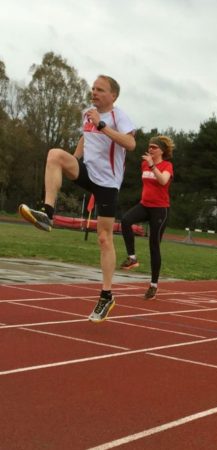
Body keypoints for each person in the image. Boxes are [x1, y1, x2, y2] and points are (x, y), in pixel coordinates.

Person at [19, 75, 136, 323]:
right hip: (88, 171)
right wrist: (73, 159)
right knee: (54, 155)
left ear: (113, 95)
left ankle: (106, 295)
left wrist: (103, 125)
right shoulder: (88, 113)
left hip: (107, 183)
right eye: (93, 88)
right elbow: (86, 136)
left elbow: (131, 144)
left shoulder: (119, 116)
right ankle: (47, 214)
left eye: (100, 89)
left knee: (104, 238)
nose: (94, 92)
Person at [119, 136, 174, 300]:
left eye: (154, 147)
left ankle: (153, 285)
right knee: (125, 220)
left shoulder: (167, 165)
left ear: (162, 150)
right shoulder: (144, 164)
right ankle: (132, 258)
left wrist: (152, 165)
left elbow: (163, 181)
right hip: (145, 205)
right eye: (149, 147)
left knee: (154, 246)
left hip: (160, 209)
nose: (150, 149)